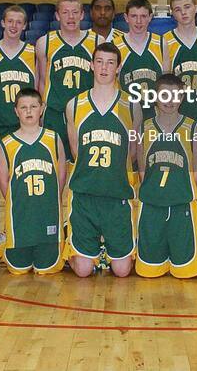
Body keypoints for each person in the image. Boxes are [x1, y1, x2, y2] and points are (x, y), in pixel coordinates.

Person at [65, 43, 142, 277]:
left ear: (118, 67)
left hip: (117, 195)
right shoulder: (74, 104)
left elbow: (132, 152)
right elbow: (76, 151)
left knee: (122, 271)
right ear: (91, 65)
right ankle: (77, 247)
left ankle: (105, 250)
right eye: (99, 62)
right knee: (83, 271)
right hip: (85, 195)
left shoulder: (132, 105)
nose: (104, 68)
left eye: (110, 63)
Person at [136, 74, 197, 278]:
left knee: (186, 273)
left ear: (182, 98)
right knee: (148, 272)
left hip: (182, 205)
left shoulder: (193, 127)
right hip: (152, 205)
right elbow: (142, 170)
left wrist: (181, 193)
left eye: (175, 95)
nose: (170, 100)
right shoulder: (144, 128)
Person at [0, 88, 66, 275]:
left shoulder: (53, 138)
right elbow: (3, 180)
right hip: (20, 218)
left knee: (47, 269)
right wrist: (16, 201)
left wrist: (52, 199)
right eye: (23, 107)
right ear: (16, 111)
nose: (28, 111)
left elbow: (60, 176)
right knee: (18, 269)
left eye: (33, 107)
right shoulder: (7, 143)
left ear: (42, 109)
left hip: (47, 216)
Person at [36, 0, 98, 155]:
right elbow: (42, 81)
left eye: (75, 12)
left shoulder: (97, 42)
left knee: (84, 159)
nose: (71, 17)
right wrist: (41, 111)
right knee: (55, 159)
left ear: (82, 15)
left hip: (86, 111)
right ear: (57, 16)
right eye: (65, 12)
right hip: (55, 112)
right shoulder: (44, 43)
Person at [0, 4, 36, 139]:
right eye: (10, 21)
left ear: (24, 26)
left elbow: (37, 89)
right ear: (3, 23)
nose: (14, 26)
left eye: (19, 22)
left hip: (25, 125)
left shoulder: (32, 53)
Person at [116, 0, 163, 121]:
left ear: (150, 17)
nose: (138, 21)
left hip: (154, 114)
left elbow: (166, 84)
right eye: (134, 16)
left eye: (143, 16)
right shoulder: (116, 46)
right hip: (125, 113)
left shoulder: (161, 43)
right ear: (126, 17)